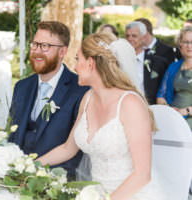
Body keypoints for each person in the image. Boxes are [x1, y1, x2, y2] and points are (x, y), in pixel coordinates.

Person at [37, 33, 165, 199]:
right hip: (97, 194)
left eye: (77, 59)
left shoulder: (130, 104)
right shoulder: (87, 99)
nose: (74, 67)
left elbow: (142, 175)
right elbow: (68, 149)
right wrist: (31, 165)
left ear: (90, 63)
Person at [8, 21, 88, 179]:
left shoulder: (80, 90)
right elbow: (12, 135)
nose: (37, 51)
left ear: (62, 51)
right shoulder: (21, 87)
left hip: (55, 181)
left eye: (45, 46)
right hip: (14, 177)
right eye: (35, 44)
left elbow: (75, 150)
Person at [157, 26, 192, 130]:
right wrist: (169, 110)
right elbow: (161, 95)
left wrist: (186, 111)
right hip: (174, 119)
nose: (189, 46)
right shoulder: (173, 66)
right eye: (186, 42)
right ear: (180, 44)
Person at [125, 21, 169, 104]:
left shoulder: (158, 63)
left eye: (134, 36)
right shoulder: (119, 62)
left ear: (144, 38)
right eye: (127, 36)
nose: (130, 39)